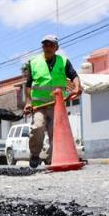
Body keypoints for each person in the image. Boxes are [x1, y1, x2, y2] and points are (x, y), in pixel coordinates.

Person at [23, 34, 82, 168]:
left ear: (56, 47)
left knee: (55, 132)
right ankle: (35, 155)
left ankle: (52, 158)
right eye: (45, 45)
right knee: (38, 127)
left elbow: (74, 76)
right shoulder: (34, 62)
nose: (48, 47)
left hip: (57, 105)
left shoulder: (64, 62)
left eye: (51, 45)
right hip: (39, 105)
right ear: (42, 47)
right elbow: (28, 85)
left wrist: (77, 86)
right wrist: (28, 102)